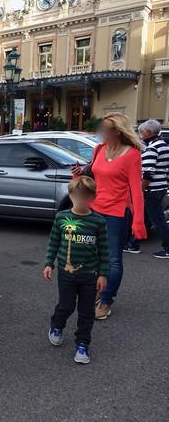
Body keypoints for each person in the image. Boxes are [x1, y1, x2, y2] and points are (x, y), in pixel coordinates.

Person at [71, 112, 146, 320]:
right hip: (94, 210)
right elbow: (92, 175)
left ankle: (106, 301)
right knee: (94, 256)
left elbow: (137, 191)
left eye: (106, 129)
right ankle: (100, 287)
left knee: (113, 259)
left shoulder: (132, 155)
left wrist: (138, 221)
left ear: (118, 131)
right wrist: (79, 173)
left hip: (117, 214)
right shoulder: (99, 149)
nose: (101, 132)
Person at [44, 177, 108, 364]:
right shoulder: (62, 217)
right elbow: (54, 242)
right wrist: (49, 263)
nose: (80, 201)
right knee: (66, 305)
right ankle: (57, 324)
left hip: (90, 275)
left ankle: (82, 344)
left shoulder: (98, 221)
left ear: (92, 197)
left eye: (85, 197)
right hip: (66, 274)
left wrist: (103, 274)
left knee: (87, 311)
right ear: (71, 195)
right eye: (77, 196)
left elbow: (104, 250)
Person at [124, 119, 169, 258]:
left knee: (157, 220)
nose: (140, 134)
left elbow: (148, 174)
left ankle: (167, 248)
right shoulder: (164, 146)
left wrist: (139, 191)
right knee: (143, 218)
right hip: (161, 188)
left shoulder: (152, 148)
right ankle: (134, 244)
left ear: (148, 132)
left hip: (152, 190)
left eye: (142, 132)